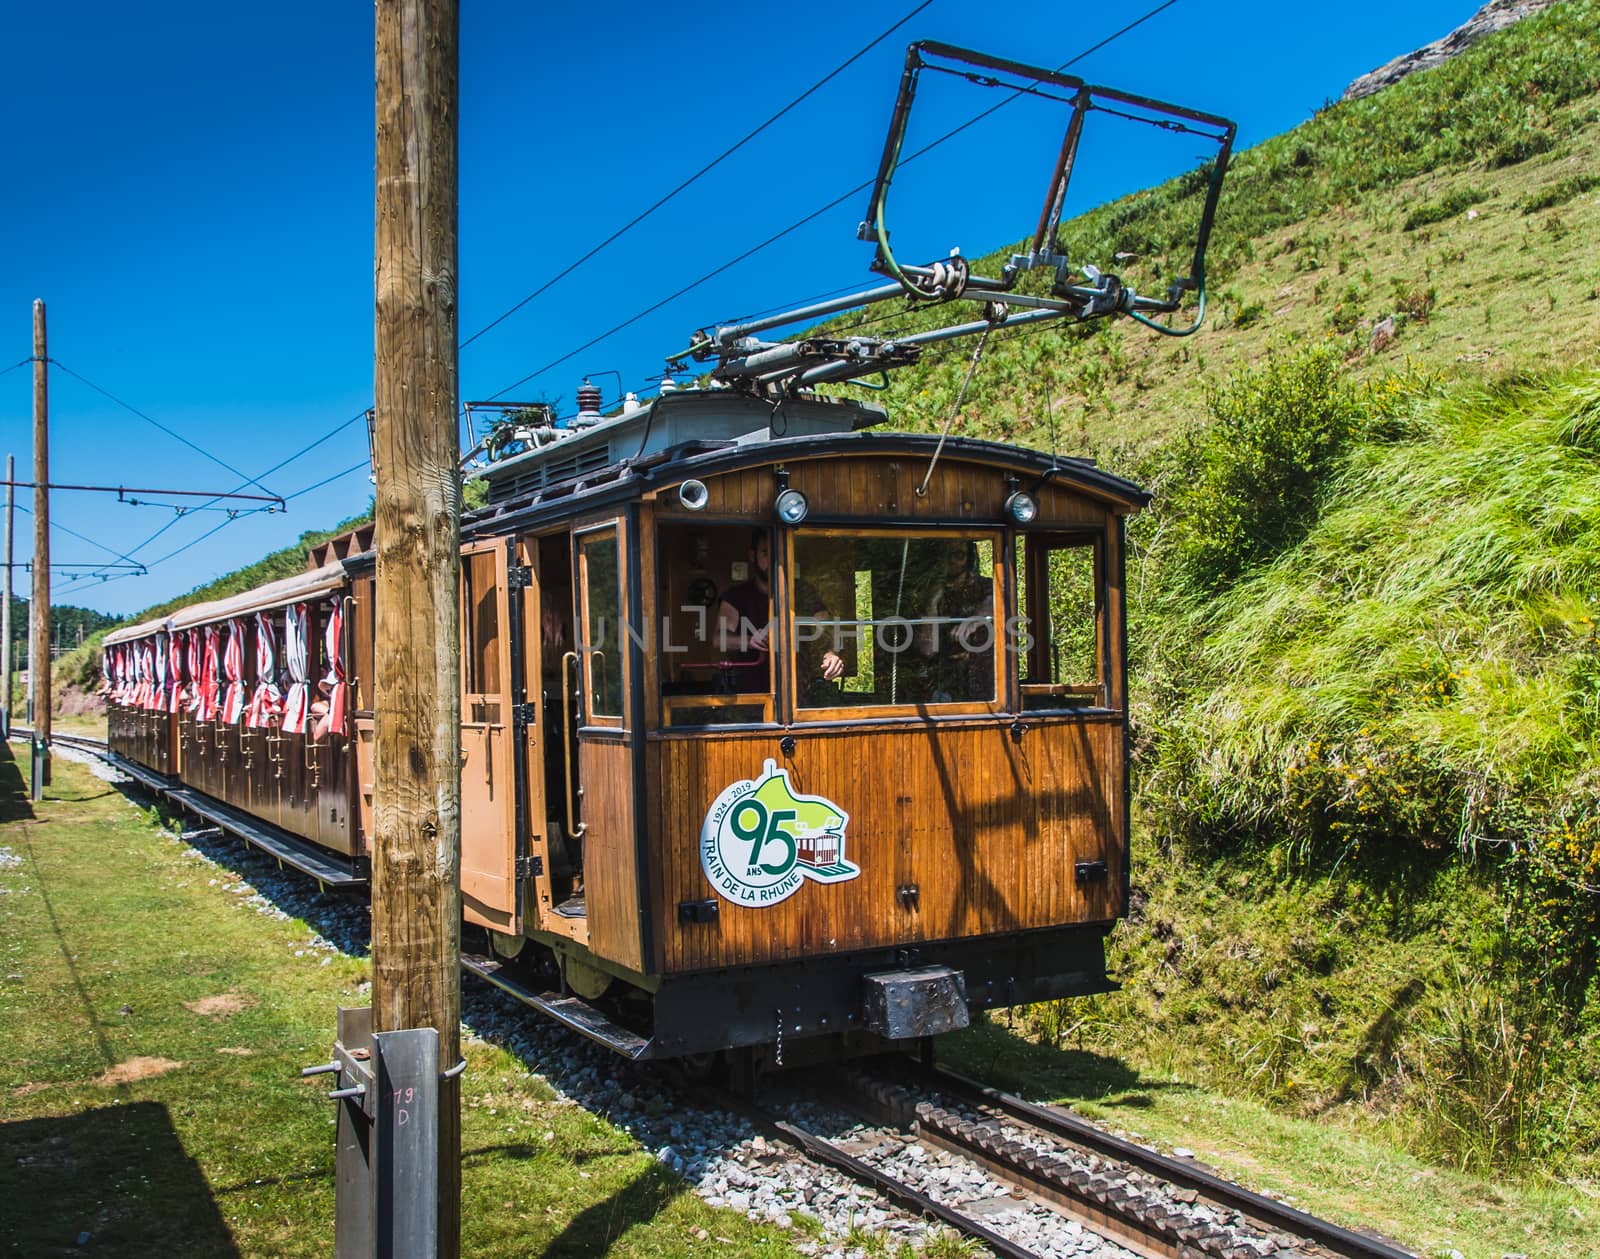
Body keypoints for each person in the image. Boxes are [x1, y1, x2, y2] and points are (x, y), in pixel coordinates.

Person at [716, 529, 844, 693]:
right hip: (750, 694)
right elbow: (718, 638)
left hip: (798, 692)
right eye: (765, 553)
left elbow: (829, 628)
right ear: (752, 555)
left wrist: (832, 654)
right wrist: (750, 640)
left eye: (778, 553)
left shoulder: (803, 592)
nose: (773, 559)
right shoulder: (736, 596)